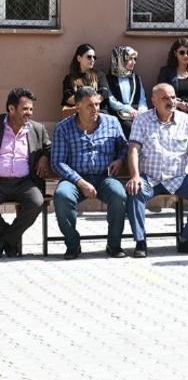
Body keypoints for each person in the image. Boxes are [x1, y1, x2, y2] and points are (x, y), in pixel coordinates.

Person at [125, 83, 188, 258]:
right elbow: (133, 149)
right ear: (154, 101)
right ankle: (140, 241)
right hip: (150, 178)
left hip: (179, 177)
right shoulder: (141, 120)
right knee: (135, 191)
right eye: (165, 98)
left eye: (173, 97)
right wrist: (135, 176)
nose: (171, 102)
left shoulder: (187, 121)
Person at [50, 87, 128, 259]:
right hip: (74, 179)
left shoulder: (112, 122)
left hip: (104, 177)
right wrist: (80, 182)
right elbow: (58, 162)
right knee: (62, 196)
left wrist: (120, 160)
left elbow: (124, 146)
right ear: (77, 107)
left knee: (119, 195)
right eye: (90, 106)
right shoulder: (63, 128)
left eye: (97, 104)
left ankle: (114, 244)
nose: (95, 109)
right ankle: (72, 244)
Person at [0, 88, 50, 258]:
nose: (29, 113)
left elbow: (49, 147)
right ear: (11, 109)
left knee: (36, 202)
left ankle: (5, 240)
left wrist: (44, 156)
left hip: (24, 182)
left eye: (31, 109)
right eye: (25, 109)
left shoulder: (37, 128)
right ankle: (9, 238)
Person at [105, 45, 148, 137]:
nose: (134, 62)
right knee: (133, 131)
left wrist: (141, 112)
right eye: (130, 59)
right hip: (120, 115)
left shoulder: (136, 78)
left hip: (137, 114)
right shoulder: (109, 79)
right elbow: (111, 100)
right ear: (120, 60)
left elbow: (142, 99)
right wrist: (128, 109)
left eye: (135, 59)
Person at [157, 38, 188, 122]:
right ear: (175, 53)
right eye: (182, 52)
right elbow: (161, 94)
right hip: (171, 110)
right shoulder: (166, 71)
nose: (186, 55)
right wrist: (178, 104)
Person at [61, 44, 111, 118]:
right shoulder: (70, 78)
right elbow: (68, 97)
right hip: (78, 114)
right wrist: (86, 107)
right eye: (89, 57)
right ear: (79, 58)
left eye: (94, 57)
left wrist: (88, 105)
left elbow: (103, 93)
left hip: (98, 113)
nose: (92, 59)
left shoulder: (100, 75)